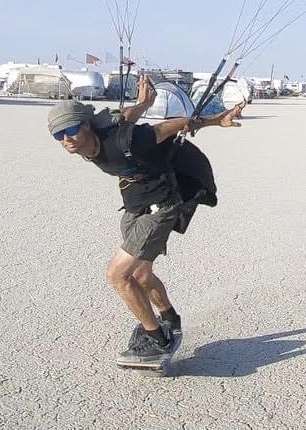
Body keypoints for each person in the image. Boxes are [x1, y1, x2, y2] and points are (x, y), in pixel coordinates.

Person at [47, 73, 245, 365]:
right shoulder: (97, 135)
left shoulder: (127, 140)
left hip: (162, 204)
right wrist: (143, 102)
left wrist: (218, 120)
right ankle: (170, 319)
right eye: (58, 135)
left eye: (72, 129)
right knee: (140, 275)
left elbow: (172, 125)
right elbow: (126, 115)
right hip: (134, 204)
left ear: (86, 125)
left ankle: (157, 339)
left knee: (118, 275)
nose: (66, 139)